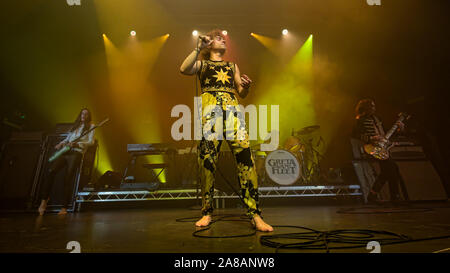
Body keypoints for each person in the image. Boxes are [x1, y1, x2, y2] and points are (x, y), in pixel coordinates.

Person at [180, 29, 273, 232]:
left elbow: (242, 93)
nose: (222, 38)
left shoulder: (232, 66)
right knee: (207, 160)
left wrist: (247, 86)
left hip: (232, 111)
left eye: (223, 37)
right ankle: (206, 212)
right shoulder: (203, 64)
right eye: (217, 37)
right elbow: (184, 69)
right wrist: (198, 48)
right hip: (211, 110)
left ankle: (255, 214)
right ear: (210, 44)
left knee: (246, 159)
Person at [38, 108, 95, 215]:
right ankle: (44, 201)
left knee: (68, 178)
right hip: (66, 151)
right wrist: (61, 143)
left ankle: (64, 207)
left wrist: (77, 144)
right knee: (51, 171)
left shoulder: (91, 127)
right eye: (82, 113)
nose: (84, 115)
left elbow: (91, 142)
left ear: (89, 116)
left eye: (86, 114)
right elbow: (68, 139)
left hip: (76, 153)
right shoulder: (75, 126)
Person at [353, 99, 404, 204]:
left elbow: (385, 133)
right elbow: (355, 134)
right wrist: (371, 138)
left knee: (388, 171)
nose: (373, 108)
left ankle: (373, 195)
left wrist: (399, 129)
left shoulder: (377, 119)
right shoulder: (361, 120)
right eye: (371, 106)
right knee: (391, 168)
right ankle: (394, 196)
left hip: (382, 147)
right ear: (365, 108)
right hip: (371, 148)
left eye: (374, 106)